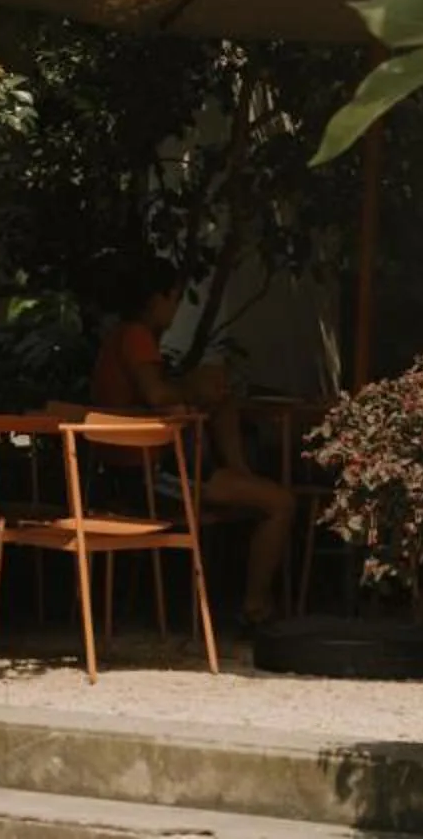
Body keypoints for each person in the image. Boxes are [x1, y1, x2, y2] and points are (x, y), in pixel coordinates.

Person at [89, 267, 293, 628]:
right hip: (149, 477)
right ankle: (256, 607)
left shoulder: (117, 338)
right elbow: (158, 396)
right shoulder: (136, 336)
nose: (176, 309)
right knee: (280, 502)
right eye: (176, 299)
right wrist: (194, 390)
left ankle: (238, 475)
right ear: (157, 299)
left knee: (221, 397)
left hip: (135, 472)